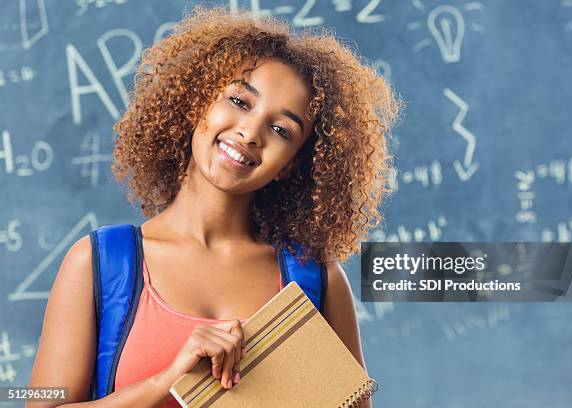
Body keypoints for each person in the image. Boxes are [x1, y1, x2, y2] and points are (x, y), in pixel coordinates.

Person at [28, 5, 401, 407]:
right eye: (240, 101)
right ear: (197, 103)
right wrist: (169, 380)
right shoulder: (99, 263)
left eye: (281, 129)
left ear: (289, 165)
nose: (250, 132)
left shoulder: (316, 280)